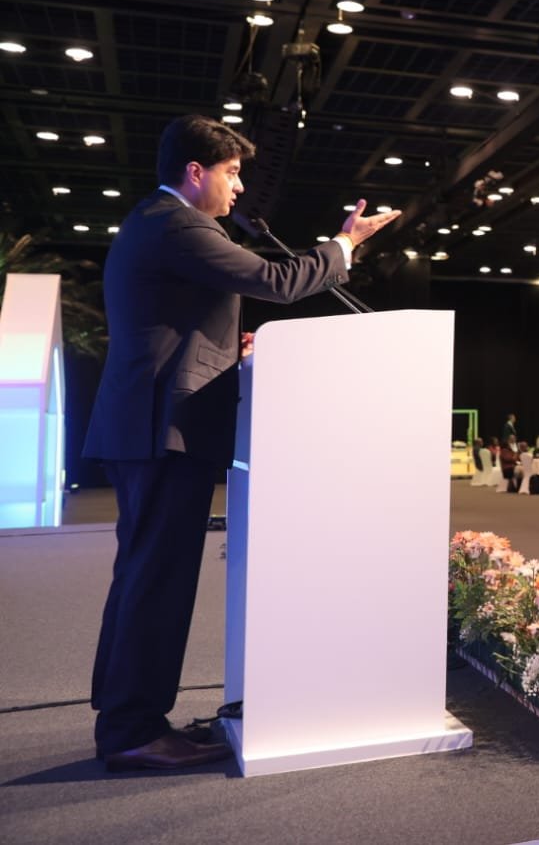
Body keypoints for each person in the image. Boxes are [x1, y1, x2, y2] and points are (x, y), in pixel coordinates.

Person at [82, 115, 398, 771]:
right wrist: (343, 245)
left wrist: (231, 346)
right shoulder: (178, 224)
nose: (238, 185)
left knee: (143, 577)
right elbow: (275, 282)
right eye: (230, 172)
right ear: (195, 172)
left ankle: (126, 717)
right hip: (161, 430)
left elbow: (175, 324)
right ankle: (133, 730)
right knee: (156, 581)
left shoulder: (156, 222)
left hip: (152, 426)